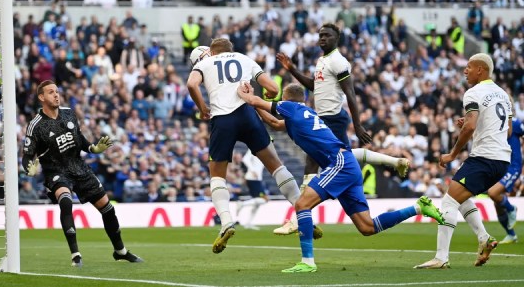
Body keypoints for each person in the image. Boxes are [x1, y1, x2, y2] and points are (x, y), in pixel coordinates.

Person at [236, 82, 444, 273]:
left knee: (301, 205)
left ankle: (307, 262)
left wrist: (245, 95)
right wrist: (256, 106)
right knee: (367, 227)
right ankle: (419, 208)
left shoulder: (291, 108)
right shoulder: (303, 114)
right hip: (347, 165)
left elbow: (257, 102)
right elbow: (273, 122)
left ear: (287, 99)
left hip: (339, 164)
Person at [275, 23, 410, 235]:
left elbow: (351, 93)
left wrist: (357, 125)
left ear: (337, 39)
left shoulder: (339, 61)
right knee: (343, 158)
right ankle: (394, 162)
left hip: (334, 118)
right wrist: (292, 69)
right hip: (324, 117)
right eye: (320, 35)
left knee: (314, 160)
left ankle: (298, 215)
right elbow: (314, 86)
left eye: (327, 35)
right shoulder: (323, 61)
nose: (322, 39)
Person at [186, 38, 313, 254]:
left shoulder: (203, 63)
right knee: (276, 165)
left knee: (217, 176)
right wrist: (264, 97)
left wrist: (202, 108)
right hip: (247, 114)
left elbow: (191, 84)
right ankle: (301, 213)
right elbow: (273, 88)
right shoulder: (244, 58)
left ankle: (226, 222)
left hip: (222, 120)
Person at [22, 80, 143, 267]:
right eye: (51, 92)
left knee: (108, 208)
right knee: (66, 201)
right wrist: (28, 167)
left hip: (79, 167)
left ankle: (120, 251)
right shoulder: (35, 125)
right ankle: (75, 255)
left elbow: (80, 140)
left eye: (57, 91)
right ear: (41, 97)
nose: (56, 95)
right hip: (56, 171)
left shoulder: (69, 113)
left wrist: (94, 148)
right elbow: (27, 156)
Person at [415, 53, 512, 269]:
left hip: (484, 157)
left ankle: (441, 257)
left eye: (469, 67)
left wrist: (452, 154)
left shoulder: (474, 92)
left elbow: (469, 127)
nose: (465, 71)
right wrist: (474, 123)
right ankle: (484, 238)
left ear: (481, 70)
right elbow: (507, 130)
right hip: (502, 160)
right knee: (457, 196)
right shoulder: (504, 95)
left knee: (449, 202)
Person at [488, 117, 522, 244]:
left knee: (493, 193)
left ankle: (511, 208)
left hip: (513, 166)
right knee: (497, 203)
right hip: (500, 166)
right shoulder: (493, 123)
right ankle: (511, 235)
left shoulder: (515, 123)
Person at [236, 150, 268, 230]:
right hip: (252, 177)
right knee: (264, 200)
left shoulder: (263, 148)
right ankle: (242, 204)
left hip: (257, 178)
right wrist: (253, 170)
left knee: (257, 203)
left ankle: (248, 223)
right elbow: (245, 159)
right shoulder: (253, 147)